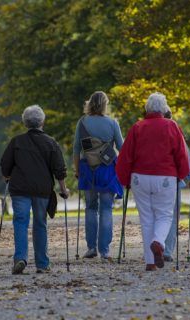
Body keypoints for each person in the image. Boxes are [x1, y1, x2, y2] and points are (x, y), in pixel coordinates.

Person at [116, 92, 190, 271]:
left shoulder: (137, 127)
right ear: (164, 109)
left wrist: (124, 179)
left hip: (140, 177)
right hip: (165, 176)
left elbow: (125, 156)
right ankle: (158, 242)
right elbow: (181, 154)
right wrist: (183, 174)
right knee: (164, 214)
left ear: (147, 108)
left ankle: (150, 262)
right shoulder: (171, 126)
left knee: (146, 218)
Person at [0, 105, 68, 274]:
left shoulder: (16, 142)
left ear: (25, 123)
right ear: (42, 122)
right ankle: (42, 264)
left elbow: (4, 164)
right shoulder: (51, 142)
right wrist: (63, 189)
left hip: (20, 189)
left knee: (20, 223)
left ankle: (20, 258)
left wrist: (7, 175)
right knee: (40, 224)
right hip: (41, 190)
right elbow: (59, 168)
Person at [73, 91, 124, 261]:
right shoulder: (112, 123)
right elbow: (121, 148)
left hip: (88, 169)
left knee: (90, 207)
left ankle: (91, 247)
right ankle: (105, 250)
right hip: (108, 169)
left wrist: (77, 170)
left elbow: (76, 149)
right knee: (106, 208)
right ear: (104, 105)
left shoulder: (82, 123)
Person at [162, 110, 190, 262]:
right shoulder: (174, 130)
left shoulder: (143, 128)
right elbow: (185, 157)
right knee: (172, 216)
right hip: (173, 179)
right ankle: (167, 250)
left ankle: (155, 246)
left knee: (155, 215)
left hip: (149, 179)